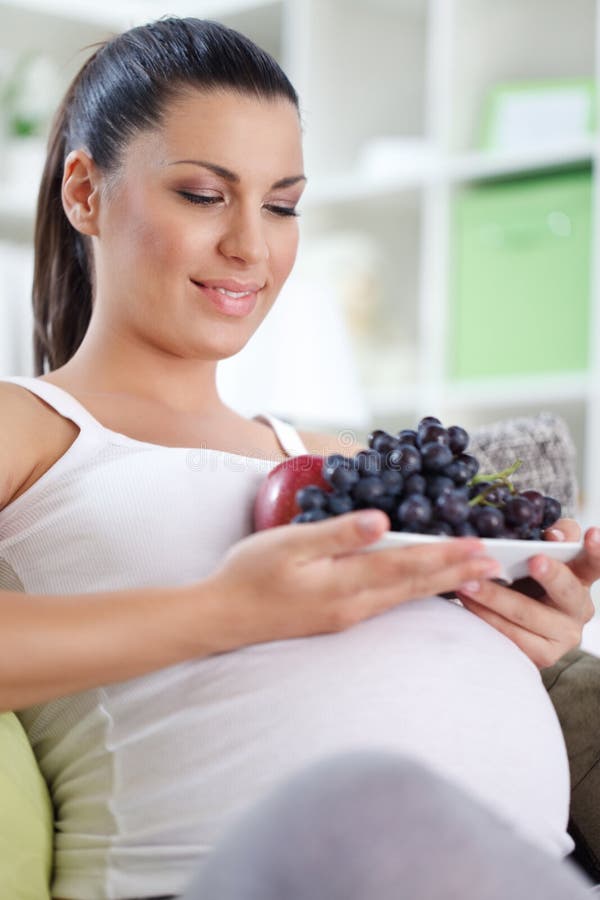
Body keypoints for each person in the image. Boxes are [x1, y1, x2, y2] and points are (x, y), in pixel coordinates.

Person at [0, 16, 598, 900]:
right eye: (205, 195)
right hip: (289, 863)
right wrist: (226, 610)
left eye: (282, 206)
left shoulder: (342, 460)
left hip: (527, 869)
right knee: (372, 806)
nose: (253, 245)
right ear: (85, 192)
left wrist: (537, 635)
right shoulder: (29, 423)